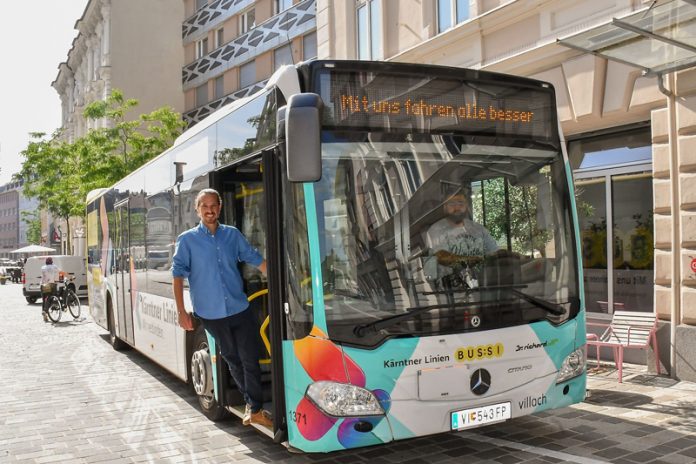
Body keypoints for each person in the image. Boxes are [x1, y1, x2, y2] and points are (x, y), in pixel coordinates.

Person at [172, 188, 272, 428]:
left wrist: (282, 284)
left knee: (250, 357)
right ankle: (252, 404)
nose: (209, 210)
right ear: (197, 210)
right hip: (211, 313)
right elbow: (177, 275)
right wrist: (181, 311)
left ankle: (254, 408)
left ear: (220, 207)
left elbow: (254, 258)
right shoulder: (187, 240)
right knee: (232, 357)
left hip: (239, 307)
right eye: (204, 206)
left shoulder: (232, 235)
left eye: (214, 205)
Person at [423, 188, 498, 288]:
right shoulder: (434, 232)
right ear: (444, 207)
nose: (457, 207)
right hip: (451, 295)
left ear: (466, 206)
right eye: (452, 204)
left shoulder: (479, 230)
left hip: (482, 291)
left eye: (460, 203)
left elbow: (495, 256)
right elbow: (430, 271)